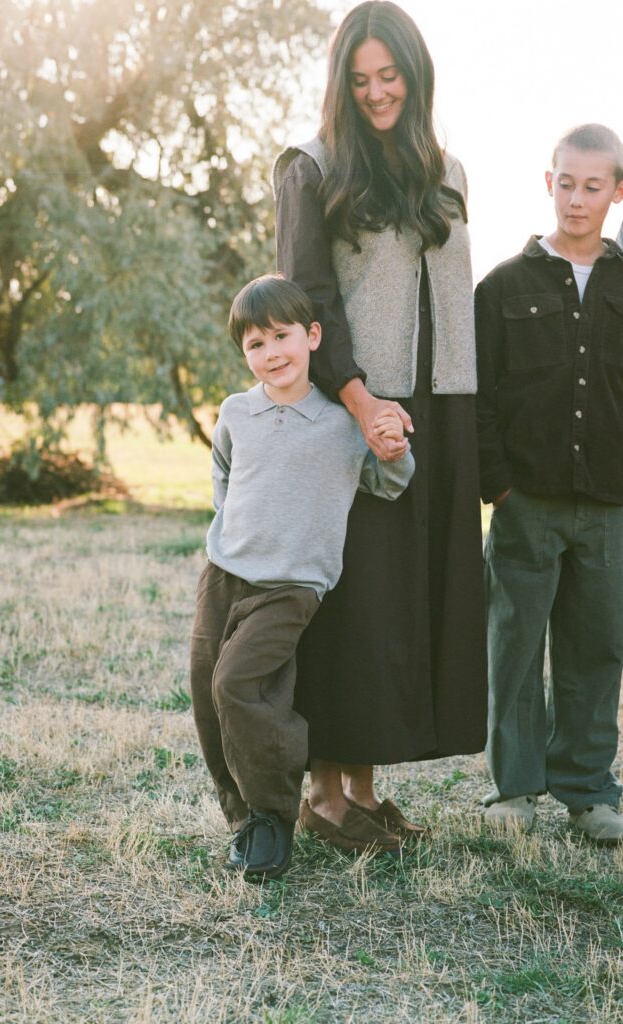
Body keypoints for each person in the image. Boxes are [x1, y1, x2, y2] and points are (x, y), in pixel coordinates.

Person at [272, 0, 487, 847]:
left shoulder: (447, 170)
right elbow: (306, 301)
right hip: (353, 407)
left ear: (415, 74)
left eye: (389, 75)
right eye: (359, 79)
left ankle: (362, 791)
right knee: (354, 604)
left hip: (440, 406)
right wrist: (361, 403)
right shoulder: (313, 168)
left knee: (402, 605)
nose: (375, 92)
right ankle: (324, 796)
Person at [190, 274, 415, 880]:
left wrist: (395, 448)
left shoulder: (341, 423)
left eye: (281, 336)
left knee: (240, 685)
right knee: (208, 692)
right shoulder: (237, 412)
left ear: (313, 336)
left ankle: (274, 813)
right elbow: (223, 475)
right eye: (255, 344)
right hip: (225, 572)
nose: (271, 353)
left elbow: (388, 483)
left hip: (291, 586)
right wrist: (231, 532)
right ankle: (244, 820)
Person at [476, 124, 623, 842]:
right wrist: (498, 485)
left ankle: (589, 790)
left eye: (593, 186)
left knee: (597, 650)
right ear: (548, 182)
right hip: (524, 502)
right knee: (514, 645)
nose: (577, 199)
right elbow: (479, 395)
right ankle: (515, 789)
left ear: (616, 192)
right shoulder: (503, 285)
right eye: (566, 183)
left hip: (610, 506)